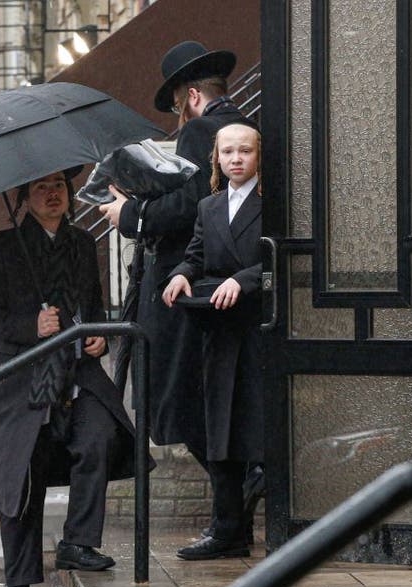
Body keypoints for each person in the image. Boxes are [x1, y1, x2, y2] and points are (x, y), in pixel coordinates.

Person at [0, 170, 146, 587]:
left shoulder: (82, 243)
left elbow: (92, 309)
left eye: (59, 186)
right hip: (23, 383)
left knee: (99, 437)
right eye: (40, 188)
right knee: (21, 476)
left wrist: (98, 338)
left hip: (79, 375)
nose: (53, 194)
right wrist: (32, 326)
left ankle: (77, 541)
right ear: (25, 200)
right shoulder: (1, 247)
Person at [100, 41, 251, 474]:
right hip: (223, 277)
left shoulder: (201, 131)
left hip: (188, 282)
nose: (178, 116)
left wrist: (128, 213)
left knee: (175, 398)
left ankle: (236, 500)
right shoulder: (246, 126)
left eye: (177, 105)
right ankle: (236, 502)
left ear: (192, 96)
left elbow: (190, 204)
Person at [162, 123, 263, 560]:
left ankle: (278, 527)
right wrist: (181, 274)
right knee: (218, 430)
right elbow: (196, 254)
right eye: (228, 152)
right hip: (218, 332)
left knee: (258, 429)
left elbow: (284, 256)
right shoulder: (208, 206)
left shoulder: (272, 203)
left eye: (244, 151)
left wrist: (243, 280)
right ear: (216, 159)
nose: (236, 159)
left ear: (259, 156)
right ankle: (227, 532)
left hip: (260, 331)